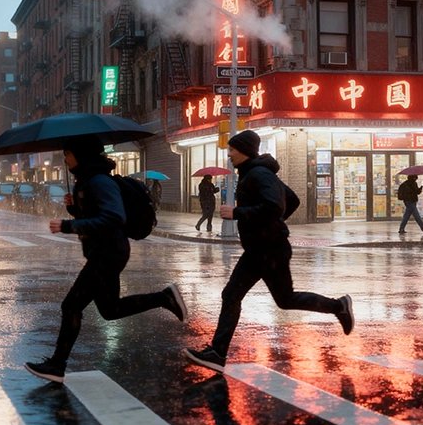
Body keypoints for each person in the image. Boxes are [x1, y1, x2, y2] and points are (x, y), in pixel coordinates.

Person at [185, 130, 354, 373]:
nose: (229, 154)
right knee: (242, 296)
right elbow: (291, 200)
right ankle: (217, 353)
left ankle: (339, 306)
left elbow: (275, 205)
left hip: (270, 249)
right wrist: (271, 223)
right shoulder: (254, 173)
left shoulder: (259, 174)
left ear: (244, 150)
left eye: (232, 149)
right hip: (260, 247)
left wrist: (239, 213)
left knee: (270, 298)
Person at [25, 137, 188, 384]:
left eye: (68, 154)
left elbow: (113, 217)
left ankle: (57, 365)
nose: (65, 159)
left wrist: (68, 225)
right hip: (105, 252)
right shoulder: (88, 180)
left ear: (80, 155)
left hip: (108, 253)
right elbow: (97, 214)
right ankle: (164, 297)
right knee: (111, 310)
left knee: (71, 306)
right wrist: (75, 208)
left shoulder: (99, 181)